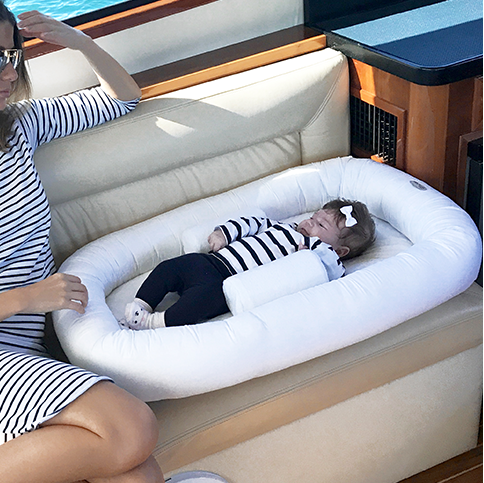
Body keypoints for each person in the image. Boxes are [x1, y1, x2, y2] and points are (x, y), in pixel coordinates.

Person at [0, 5, 166, 482]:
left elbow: (124, 97)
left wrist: (79, 41)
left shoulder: (19, 126)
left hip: (24, 350)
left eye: (13, 55)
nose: (10, 72)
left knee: (138, 471)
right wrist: (26, 298)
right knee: (132, 428)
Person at [123, 198, 376, 330]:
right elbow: (251, 223)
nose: (309, 223)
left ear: (339, 249)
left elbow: (334, 271)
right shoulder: (281, 226)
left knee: (197, 304)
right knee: (169, 268)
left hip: (226, 283)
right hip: (212, 260)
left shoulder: (318, 250)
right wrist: (224, 233)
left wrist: (309, 258)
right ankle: (140, 304)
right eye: (313, 217)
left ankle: (154, 322)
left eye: (321, 225)